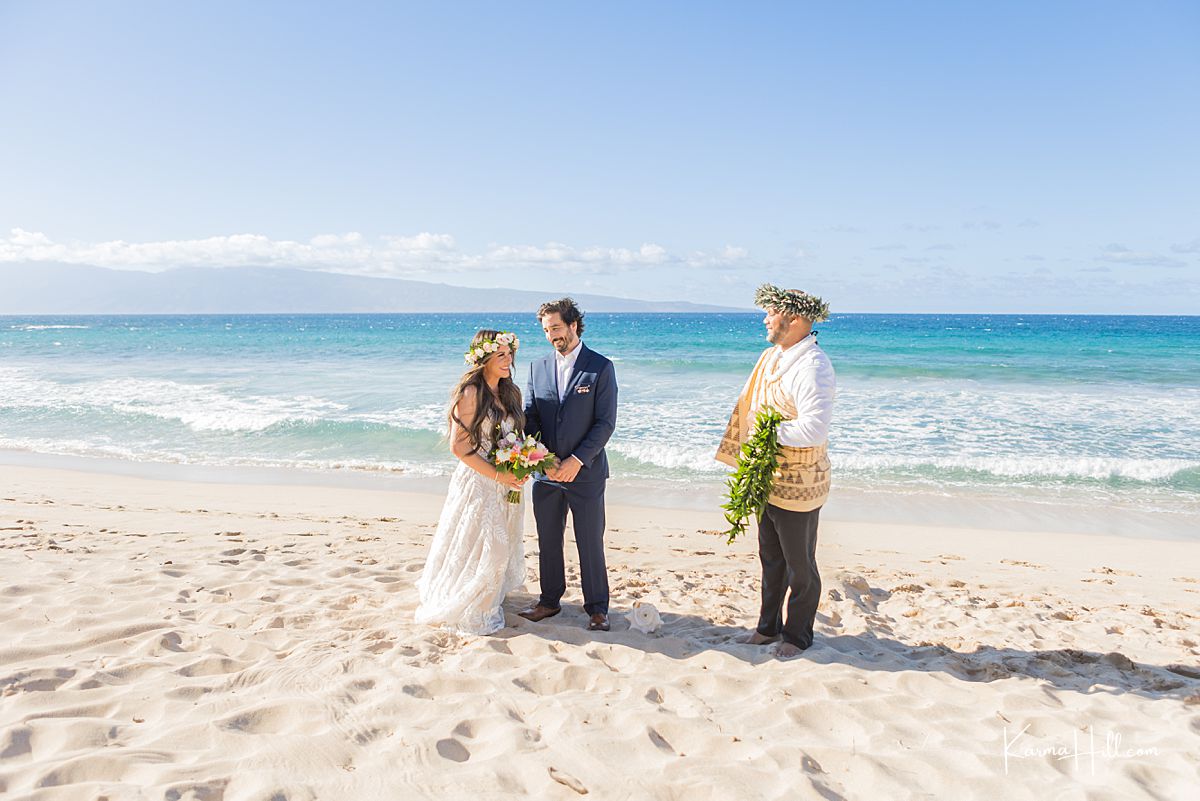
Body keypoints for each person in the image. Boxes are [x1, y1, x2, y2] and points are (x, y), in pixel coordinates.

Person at [716, 284, 835, 658]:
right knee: (771, 557)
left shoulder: (814, 366)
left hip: (800, 481)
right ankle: (767, 629)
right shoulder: (772, 357)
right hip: (768, 477)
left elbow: (814, 428)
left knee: (800, 564)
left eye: (771, 312)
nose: (765, 319)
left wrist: (764, 433)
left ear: (794, 319)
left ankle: (798, 636)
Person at [415, 330, 528, 635]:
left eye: (510, 355)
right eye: (500, 355)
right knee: (494, 549)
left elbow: (513, 439)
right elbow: (459, 447)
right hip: (479, 481)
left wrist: (523, 461)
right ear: (484, 358)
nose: (508, 361)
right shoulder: (471, 393)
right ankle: (473, 607)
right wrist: (497, 474)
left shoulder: (510, 393)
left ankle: (487, 597)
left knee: (496, 545)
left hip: (506, 482)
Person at [518, 298, 618, 632]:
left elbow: (605, 424)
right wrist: (543, 460)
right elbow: (531, 419)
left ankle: (598, 608)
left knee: (590, 540)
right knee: (548, 539)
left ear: (574, 324)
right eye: (546, 330)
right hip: (546, 473)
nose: (551, 336)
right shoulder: (537, 367)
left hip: (586, 473)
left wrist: (576, 461)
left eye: (556, 328)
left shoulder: (601, 367)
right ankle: (549, 601)